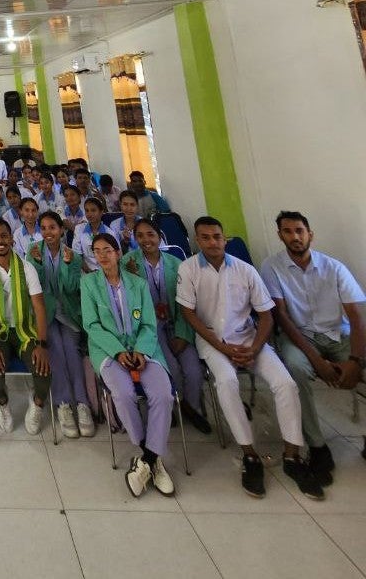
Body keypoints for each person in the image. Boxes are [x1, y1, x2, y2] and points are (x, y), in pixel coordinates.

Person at [177, 216, 323, 500]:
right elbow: (189, 314)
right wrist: (222, 347)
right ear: (197, 240)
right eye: (205, 237)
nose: (212, 242)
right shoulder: (189, 269)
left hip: (249, 339)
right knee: (227, 382)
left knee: (285, 383)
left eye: (217, 236)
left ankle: (293, 454)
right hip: (212, 341)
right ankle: (250, 455)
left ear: (225, 238)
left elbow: (266, 314)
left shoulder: (245, 270)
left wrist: (255, 347)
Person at [260, 211, 365, 485]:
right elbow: (281, 316)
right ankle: (318, 447)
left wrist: (354, 360)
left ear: (310, 234)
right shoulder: (272, 267)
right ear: (280, 235)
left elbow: (355, 316)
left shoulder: (334, 267)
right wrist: (316, 360)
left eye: (299, 231)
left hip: (336, 334)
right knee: (295, 370)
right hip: (299, 337)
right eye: (288, 231)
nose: (295, 237)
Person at [81, 232, 175, 496]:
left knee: (163, 395)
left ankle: (145, 461)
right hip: (108, 352)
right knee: (122, 394)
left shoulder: (138, 284)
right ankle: (151, 456)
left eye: (107, 250)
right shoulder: (89, 284)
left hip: (144, 349)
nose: (102, 256)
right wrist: (119, 351)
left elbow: (148, 324)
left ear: (118, 253)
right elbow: (92, 325)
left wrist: (142, 352)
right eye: (97, 251)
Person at [122, 219, 210, 433]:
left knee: (194, 370)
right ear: (135, 239)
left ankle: (191, 408)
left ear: (159, 237)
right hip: (150, 327)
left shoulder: (176, 263)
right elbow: (127, 305)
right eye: (140, 236)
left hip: (178, 321)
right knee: (172, 369)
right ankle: (174, 409)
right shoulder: (127, 263)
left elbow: (187, 302)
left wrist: (182, 333)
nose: (145, 240)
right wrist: (132, 279)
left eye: (150, 234)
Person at [0, 219, 51, 435]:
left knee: (44, 370)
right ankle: (3, 402)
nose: (0, 241)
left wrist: (42, 344)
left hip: (24, 329)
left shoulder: (26, 268)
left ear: (11, 238)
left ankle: (36, 404)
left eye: (4, 236)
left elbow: (39, 306)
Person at [27, 212, 93, 438]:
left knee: (71, 351)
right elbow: (35, 285)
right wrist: (36, 263)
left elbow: (72, 287)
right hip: (45, 313)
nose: (48, 233)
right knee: (54, 348)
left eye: (52, 228)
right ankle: (64, 403)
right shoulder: (33, 251)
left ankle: (82, 404)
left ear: (61, 230)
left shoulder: (72, 256)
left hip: (68, 313)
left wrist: (66, 266)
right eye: (43, 228)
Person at [72, 197, 113, 272]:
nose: (89, 214)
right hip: (85, 271)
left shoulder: (109, 232)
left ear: (101, 212)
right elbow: (77, 255)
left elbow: (113, 256)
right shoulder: (79, 229)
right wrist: (89, 272)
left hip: (105, 272)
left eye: (93, 210)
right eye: (87, 211)